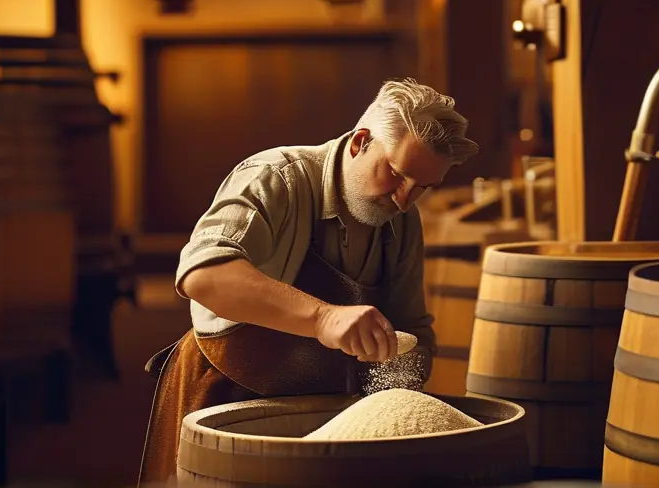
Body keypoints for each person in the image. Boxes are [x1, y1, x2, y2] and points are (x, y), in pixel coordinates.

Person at [138, 78, 479, 484]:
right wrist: (323, 318)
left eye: (423, 187)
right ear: (361, 142)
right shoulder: (276, 177)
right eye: (395, 173)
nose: (404, 199)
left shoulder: (403, 223)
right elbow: (203, 275)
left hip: (325, 420)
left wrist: (399, 389)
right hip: (223, 399)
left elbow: (413, 329)